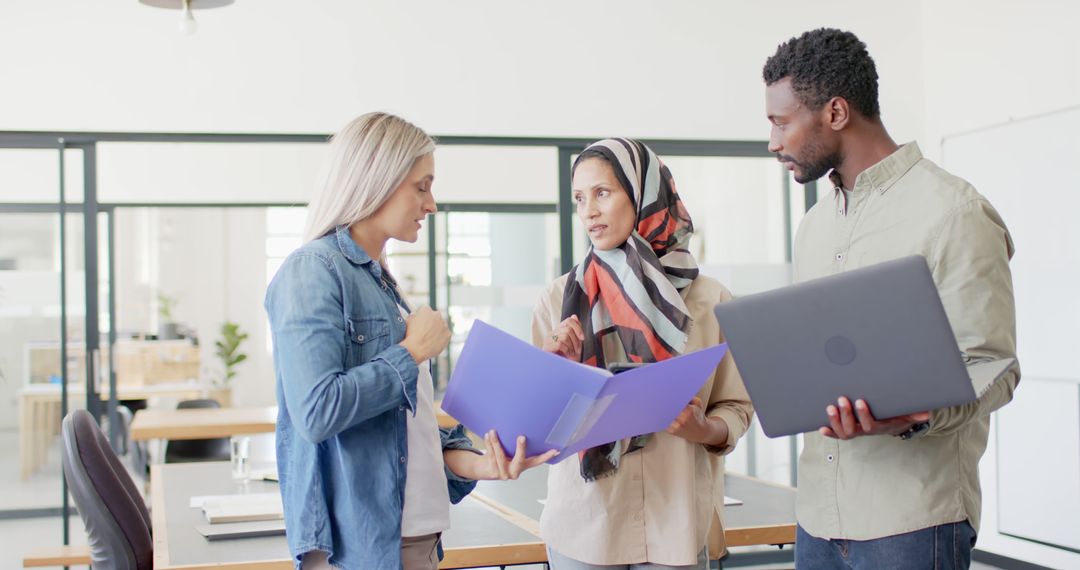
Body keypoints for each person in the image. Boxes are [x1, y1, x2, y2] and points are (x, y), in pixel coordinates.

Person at [762, 28, 1019, 569]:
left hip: (912, 521)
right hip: (817, 518)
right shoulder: (813, 226)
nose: (773, 142)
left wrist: (912, 415)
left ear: (835, 113)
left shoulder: (955, 212)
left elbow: (995, 367)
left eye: (781, 122)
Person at [265, 112, 556, 570]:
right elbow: (316, 412)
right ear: (376, 180)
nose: (432, 204)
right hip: (365, 550)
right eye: (421, 186)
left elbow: (404, 429)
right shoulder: (313, 270)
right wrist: (411, 351)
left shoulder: (382, 283)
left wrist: (481, 463)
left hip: (415, 540)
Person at [532, 138, 754, 569]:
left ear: (643, 193)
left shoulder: (711, 301)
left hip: (676, 526)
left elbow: (738, 407)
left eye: (602, 192)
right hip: (585, 529)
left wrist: (703, 428)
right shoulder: (559, 299)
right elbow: (541, 426)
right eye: (579, 198)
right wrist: (561, 372)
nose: (589, 211)